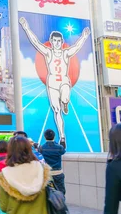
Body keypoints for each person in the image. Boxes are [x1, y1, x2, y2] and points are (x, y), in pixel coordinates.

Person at [19, 17, 90, 146]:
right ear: (51, 42)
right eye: (54, 41)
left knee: (65, 97)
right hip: (52, 83)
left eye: (59, 41)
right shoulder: (48, 52)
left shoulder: (66, 53)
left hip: (63, 80)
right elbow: (35, 42)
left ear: (62, 42)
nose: (57, 43)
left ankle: (65, 102)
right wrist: (26, 28)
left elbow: (77, 47)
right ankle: (62, 137)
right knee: (57, 110)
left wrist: (84, 36)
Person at [40, 129, 67, 195]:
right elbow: (63, 151)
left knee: (47, 194)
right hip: (58, 173)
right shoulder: (59, 147)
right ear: (54, 136)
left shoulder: (42, 148)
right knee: (61, 192)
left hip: (47, 174)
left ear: (45, 137)